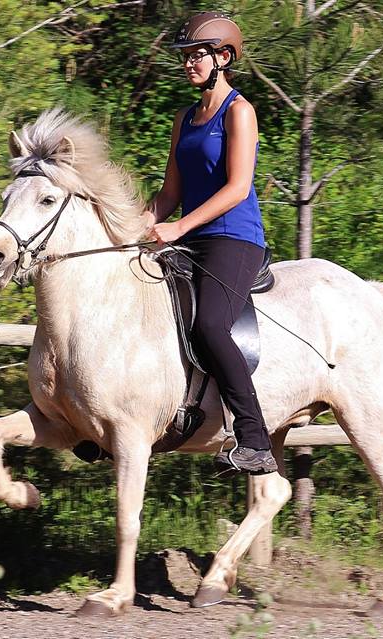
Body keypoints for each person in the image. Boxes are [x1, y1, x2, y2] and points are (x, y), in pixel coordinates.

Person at [147, 12, 277, 475]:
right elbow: (169, 194)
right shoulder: (184, 118)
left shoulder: (240, 112)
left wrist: (179, 228)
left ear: (223, 57)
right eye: (184, 57)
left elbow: (238, 188)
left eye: (196, 55)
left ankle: (255, 439)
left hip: (233, 238)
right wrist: (133, 227)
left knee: (209, 325)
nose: (188, 64)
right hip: (190, 238)